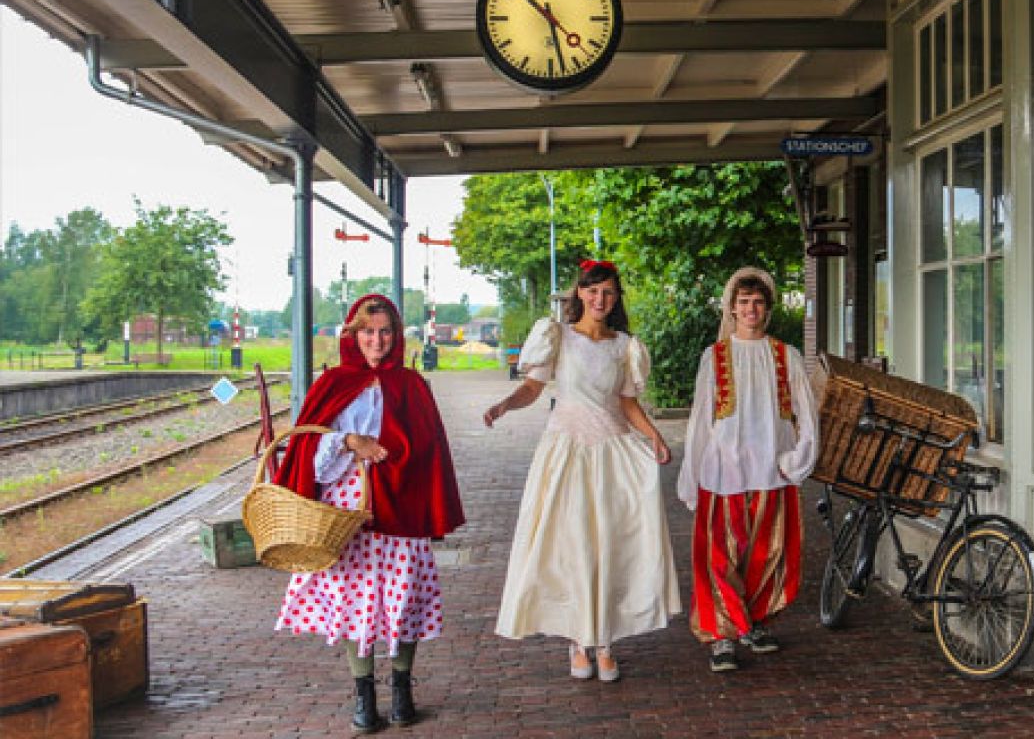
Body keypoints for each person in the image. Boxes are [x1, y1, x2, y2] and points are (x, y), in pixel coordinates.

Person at [272, 294, 464, 733]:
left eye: (384, 332)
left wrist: (406, 470)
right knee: (354, 601)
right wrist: (348, 442)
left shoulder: (413, 385)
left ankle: (402, 690)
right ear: (353, 335)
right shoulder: (333, 383)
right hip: (348, 511)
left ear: (395, 336)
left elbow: (431, 448)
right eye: (367, 332)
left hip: (403, 504)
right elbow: (309, 446)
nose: (376, 341)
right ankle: (363, 695)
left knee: (405, 598)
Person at [486, 259, 680, 682]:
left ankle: (605, 640)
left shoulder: (624, 346)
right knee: (571, 545)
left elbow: (628, 403)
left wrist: (654, 437)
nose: (600, 299)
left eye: (608, 292)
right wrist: (504, 405)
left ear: (616, 298)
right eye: (592, 291)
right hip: (566, 454)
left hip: (611, 452)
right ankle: (578, 639)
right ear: (580, 293)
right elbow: (533, 388)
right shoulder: (558, 338)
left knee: (611, 542)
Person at [678, 267, 818, 672]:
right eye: (743, 303)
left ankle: (752, 623)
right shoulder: (715, 356)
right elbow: (701, 420)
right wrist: (693, 471)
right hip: (723, 472)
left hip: (771, 470)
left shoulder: (785, 355)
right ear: (732, 308)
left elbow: (806, 414)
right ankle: (721, 635)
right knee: (718, 556)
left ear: (767, 308)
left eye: (757, 302)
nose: (750, 309)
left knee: (765, 555)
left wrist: (799, 458)